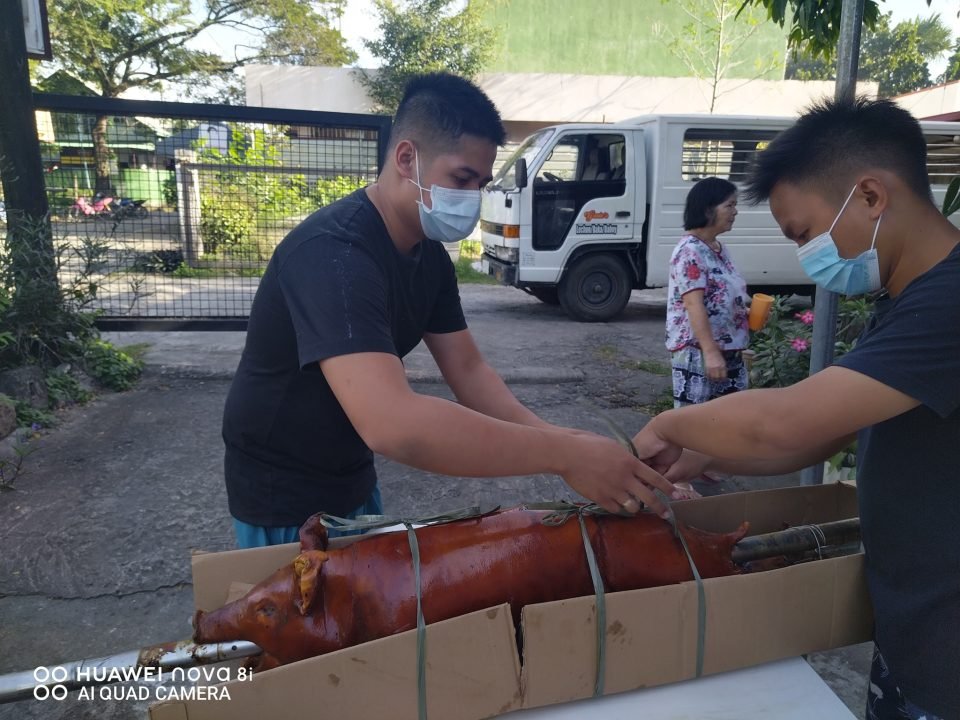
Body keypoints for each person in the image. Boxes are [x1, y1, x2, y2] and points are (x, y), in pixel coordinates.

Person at [221, 72, 677, 549]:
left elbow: (469, 370)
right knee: (304, 614)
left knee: (365, 604)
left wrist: (573, 444)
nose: (471, 198)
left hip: (348, 469)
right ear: (406, 158)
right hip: (281, 488)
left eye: (480, 184)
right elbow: (392, 423)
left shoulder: (429, 257)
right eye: (461, 179)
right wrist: (562, 454)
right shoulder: (334, 253)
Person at [632, 97, 959, 720]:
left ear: (870, 197)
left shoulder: (950, 302)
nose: (808, 255)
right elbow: (818, 435)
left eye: (804, 234)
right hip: (916, 628)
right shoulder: (907, 300)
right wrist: (698, 453)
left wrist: (667, 423)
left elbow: (786, 419)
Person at [667, 176, 749, 409]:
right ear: (708, 209)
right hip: (699, 351)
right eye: (729, 205)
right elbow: (694, 304)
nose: (735, 212)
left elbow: (721, 295)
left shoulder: (718, 249)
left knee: (730, 420)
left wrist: (742, 312)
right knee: (694, 424)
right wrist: (711, 353)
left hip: (729, 350)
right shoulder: (689, 251)